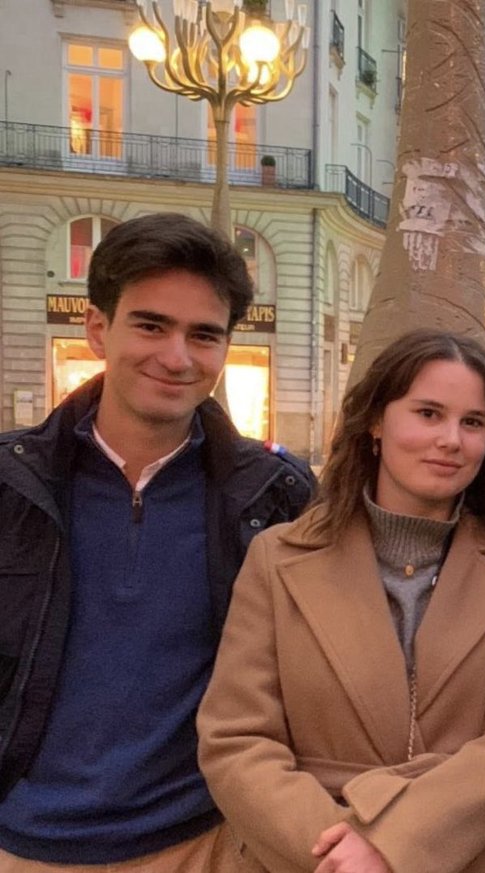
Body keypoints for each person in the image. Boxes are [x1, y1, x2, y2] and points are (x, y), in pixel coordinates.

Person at [0, 213, 315, 871]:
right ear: (96, 329)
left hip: (203, 843)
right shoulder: (11, 483)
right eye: (150, 324)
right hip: (22, 843)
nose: (176, 357)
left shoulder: (274, 495)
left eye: (204, 334)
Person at [197, 329, 485, 873]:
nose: (451, 439)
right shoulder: (277, 560)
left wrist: (396, 843)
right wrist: (339, 851)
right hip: (309, 852)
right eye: (428, 413)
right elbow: (236, 738)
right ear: (376, 422)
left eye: (473, 422)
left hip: (477, 849)